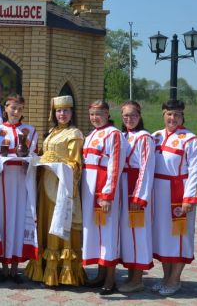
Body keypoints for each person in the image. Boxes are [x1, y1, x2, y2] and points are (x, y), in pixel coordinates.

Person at [24, 95, 86, 287]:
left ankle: (63, 271)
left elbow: (76, 164)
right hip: (45, 184)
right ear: (54, 113)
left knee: (58, 222)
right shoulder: (51, 132)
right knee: (46, 223)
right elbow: (45, 155)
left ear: (72, 113)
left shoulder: (74, 134)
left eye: (66, 110)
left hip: (62, 187)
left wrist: (56, 163)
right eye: (59, 111)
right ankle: (43, 268)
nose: (62, 114)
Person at [151, 99, 197, 296]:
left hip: (178, 193)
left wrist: (189, 198)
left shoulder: (189, 139)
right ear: (163, 115)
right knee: (163, 237)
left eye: (177, 115)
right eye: (169, 114)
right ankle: (165, 277)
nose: (172, 118)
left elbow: (196, 169)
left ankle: (175, 280)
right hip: (159, 193)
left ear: (182, 116)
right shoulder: (155, 136)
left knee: (179, 237)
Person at [0, 94, 38, 282]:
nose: (16, 112)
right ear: (5, 108)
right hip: (3, 180)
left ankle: (15, 267)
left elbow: (35, 157)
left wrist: (30, 160)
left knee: (18, 219)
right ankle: (4, 266)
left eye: (20, 109)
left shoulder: (30, 131)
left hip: (22, 180)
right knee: (4, 219)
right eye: (13, 108)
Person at [81, 100, 127, 295]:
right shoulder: (91, 134)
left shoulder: (114, 134)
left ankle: (110, 278)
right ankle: (100, 274)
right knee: (95, 233)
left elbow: (115, 166)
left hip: (103, 189)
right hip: (88, 189)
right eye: (92, 114)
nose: (94, 117)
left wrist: (107, 195)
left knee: (107, 234)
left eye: (98, 113)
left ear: (107, 113)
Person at [118, 101, 156, 293]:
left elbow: (147, 167)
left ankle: (138, 278)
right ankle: (131, 275)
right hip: (123, 186)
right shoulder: (123, 136)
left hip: (136, 188)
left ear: (139, 117)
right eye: (125, 116)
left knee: (138, 234)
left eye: (133, 115)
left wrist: (139, 197)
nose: (129, 119)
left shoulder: (144, 138)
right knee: (128, 235)